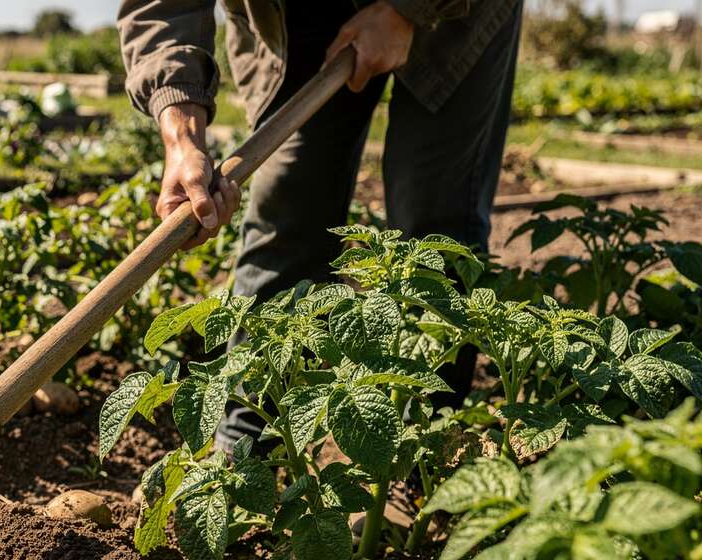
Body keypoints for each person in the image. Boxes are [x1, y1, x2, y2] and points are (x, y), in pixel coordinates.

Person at [117, 0, 523, 451]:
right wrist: (182, 137)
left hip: (455, 18)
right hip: (298, 21)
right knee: (288, 205)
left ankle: (423, 452)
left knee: (433, 226)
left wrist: (404, 10)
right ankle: (248, 452)